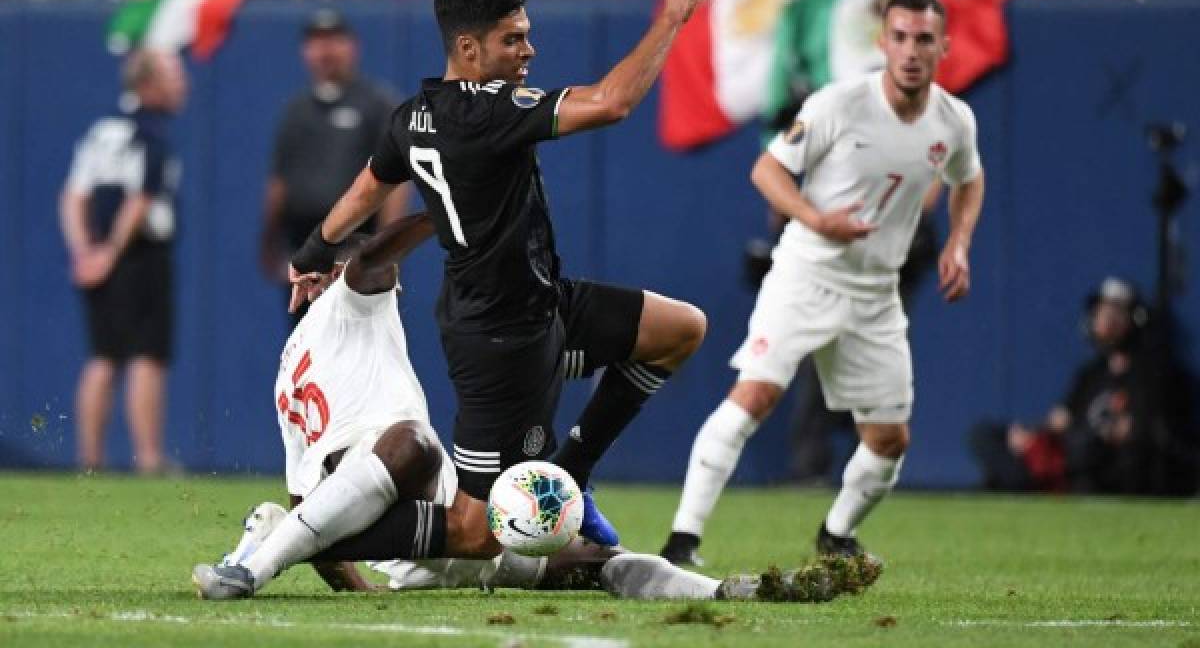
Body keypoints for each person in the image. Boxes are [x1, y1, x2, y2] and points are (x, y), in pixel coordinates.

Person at [195, 213, 880, 603]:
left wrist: (351, 586)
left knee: (593, 558)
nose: (393, 290)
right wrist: (448, 205)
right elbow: (373, 256)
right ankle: (253, 566)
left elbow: (305, 495)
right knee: (415, 443)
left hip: (394, 521)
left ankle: (732, 593)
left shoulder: (289, 369)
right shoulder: (350, 295)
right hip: (409, 485)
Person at [286, 0, 713, 561]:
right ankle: (302, 536)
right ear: (468, 47)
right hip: (495, 337)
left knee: (680, 330)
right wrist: (671, 16)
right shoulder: (488, 109)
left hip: (542, 304)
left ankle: (571, 473)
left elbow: (366, 190)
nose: (528, 51)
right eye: (512, 39)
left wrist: (313, 252)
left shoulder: (413, 116)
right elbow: (613, 102)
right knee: (476, 533)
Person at [661, 0, 985, 566]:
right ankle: (682, 540)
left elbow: (969, 177)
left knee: (889, 443)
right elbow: (767, 169)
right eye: (901, 37)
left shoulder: (953, 119)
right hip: (806, 275)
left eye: (924, 40)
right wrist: (815, 218)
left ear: (943, 47)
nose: (911, 51)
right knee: (755, 395)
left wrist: (958, 244)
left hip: (876, 292)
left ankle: (836, 533)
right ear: (883, 42)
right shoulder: (839, 104)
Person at [59, 49, 186, 473]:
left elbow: (73, 195)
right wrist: (112, 253)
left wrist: (84, 252)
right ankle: (149, 458)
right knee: (147, 355)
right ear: (148, 84)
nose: (181, 84)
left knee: (103, 356)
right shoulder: (148, 131)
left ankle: (89, 460)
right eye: (172, 75)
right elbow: (140, 199)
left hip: (99, 254)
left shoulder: (101, 130)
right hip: (139, 254)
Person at [969, 278, 1192, 495]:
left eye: (1115, 314)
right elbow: (1062, 418)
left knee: (1089, 448)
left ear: (1134, 320)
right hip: (1070, 453)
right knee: (986, 434)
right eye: (1102, 313)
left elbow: (1140, 431)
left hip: (1104, 463)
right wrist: (1031, 433)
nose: (1105, 321)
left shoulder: (1151, 375)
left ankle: (1025, 485)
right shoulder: (1090, 373)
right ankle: (1020, 483)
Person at [259, 8, 405, 318]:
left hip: (354, 247)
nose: (325, 50)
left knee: (356, 344)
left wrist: (385, 249)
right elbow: (279, 181)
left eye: (334, 40)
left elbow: (395, 182)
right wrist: (269, 238)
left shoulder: (376, 105)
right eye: (316, 42)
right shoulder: (296, 110)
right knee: (307, 347)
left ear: (352, 46)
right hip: (304, 248)